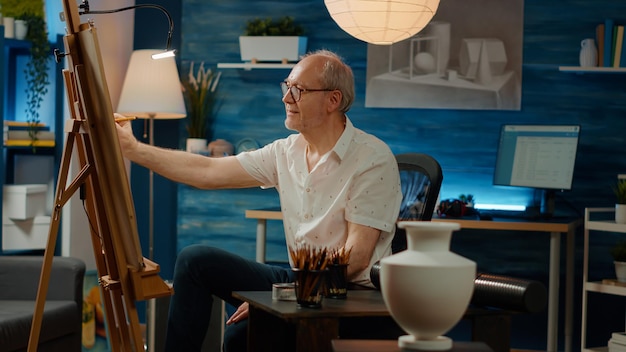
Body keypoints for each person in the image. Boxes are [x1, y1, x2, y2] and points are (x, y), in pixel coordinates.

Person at [115, 49, 402, 352]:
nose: (286, 98)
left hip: (352, 295)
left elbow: (356, 258)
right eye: (287, 87)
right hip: (299, 281)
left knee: (240, 339)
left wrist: (283, 297)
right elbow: (207, 171)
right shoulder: (286, 152)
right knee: (195, 261)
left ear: (333, 100)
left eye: (298, 90)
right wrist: (135, 150)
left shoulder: (371, 158)